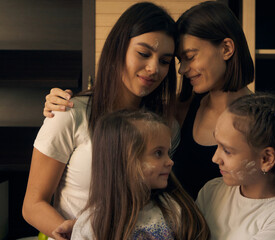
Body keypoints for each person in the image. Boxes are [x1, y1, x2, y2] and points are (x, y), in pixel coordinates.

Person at [41, 1, 275, 239]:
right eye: (177, 60)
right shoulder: (175, 112)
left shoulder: (268, 119)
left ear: (226, 49)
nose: (182, 69)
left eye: (188, 57)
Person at [22, 2, 178, 239]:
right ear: (118, 48)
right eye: (144, 54)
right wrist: (79, 234)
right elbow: (33, 204)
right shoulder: (70, 114)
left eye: (165, 61)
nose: (153, 68)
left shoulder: (167, 127)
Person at [196, 93, 275, 239]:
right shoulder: (211, 191)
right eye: (217, 145)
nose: (215, 158)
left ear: (266, 159)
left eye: (227, 151)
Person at [70, 109, 209, 239]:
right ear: (123, 160)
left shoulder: (175, 209)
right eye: (158, 153)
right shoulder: (90, 225)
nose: (170, 162)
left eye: (168, 152)